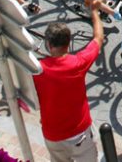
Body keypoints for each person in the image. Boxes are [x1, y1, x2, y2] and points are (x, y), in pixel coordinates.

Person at [33, 17, 103, 162]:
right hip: (80, 134)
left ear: (49, 45)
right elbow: (98, 39)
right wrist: (95, 13)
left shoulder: (38, 70)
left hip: (53, 135)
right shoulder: (78, 63)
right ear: (68, 43)